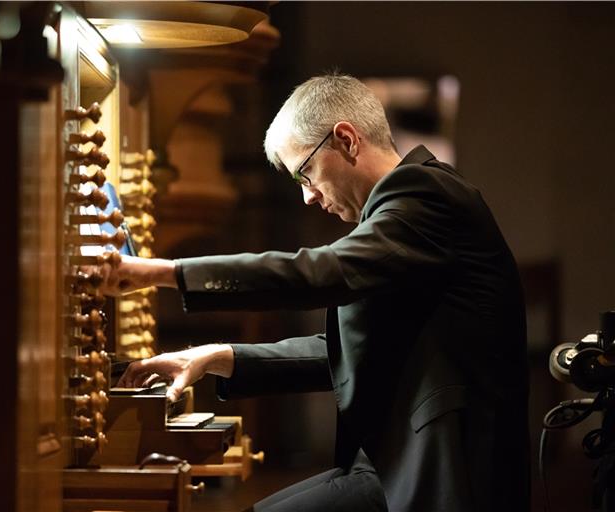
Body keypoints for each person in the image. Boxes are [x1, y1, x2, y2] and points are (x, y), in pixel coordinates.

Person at [97, 74, 529, 512]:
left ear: (346, 139)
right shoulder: (399, 214)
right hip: (393, 463)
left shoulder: (426, 195)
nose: (307, 196)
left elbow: (318, 271)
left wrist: (165, 272)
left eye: (305, 172)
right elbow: (348, 352)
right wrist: (218, 356)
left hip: (448, 472)